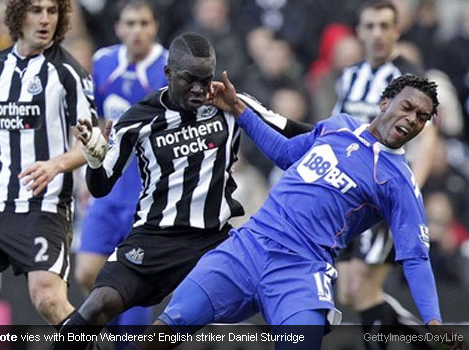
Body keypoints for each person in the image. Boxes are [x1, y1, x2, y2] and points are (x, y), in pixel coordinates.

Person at [145, 73, 446, 350]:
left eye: (421, 117)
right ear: (385, 102)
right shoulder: (339, 125)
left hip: (301, 271)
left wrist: (433, 321)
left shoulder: (400, 183)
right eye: (406, 107)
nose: (411, 119)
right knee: (168, 327)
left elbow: (416, 257)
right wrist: (237, 108)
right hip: (251, 244)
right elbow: (285, 154)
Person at [52, 32, 311, 350]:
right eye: (190, 80)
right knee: (95, 308)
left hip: (212, 243)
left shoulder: (228, 104)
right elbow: (100, 186)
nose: (200, 90)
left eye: (206, 79)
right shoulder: (138, 119)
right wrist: (94, 157)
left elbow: (295, 132)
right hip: (154, 239)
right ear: (168, 73)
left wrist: (351, 132)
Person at [0, 0, 97, 326]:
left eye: (52, 11)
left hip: (42, 209)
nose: (45, 19)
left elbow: (94, 145)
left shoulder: (68, 73)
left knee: (48, 298)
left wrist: (56, 164)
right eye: (36, 10)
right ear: (18, 15)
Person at [331, 0, 438, 335]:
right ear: (359, 32)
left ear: (397, 30)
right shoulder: (350, 76)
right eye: (370, 26)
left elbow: (429, 141)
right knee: (348, 292)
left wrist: (408, 194)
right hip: (347, 193)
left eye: (384, 26)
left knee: (363, 288)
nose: (377, 34)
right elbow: (337, 128)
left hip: (383, 193)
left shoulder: (409, 79)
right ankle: (431, 341)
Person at [74, 0, 167, 327]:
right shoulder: (103, 61)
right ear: (117, 28)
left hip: (148, 193)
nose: (136, 30)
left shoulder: (169, 68)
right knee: (87, 272)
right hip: (109, 189)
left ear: (155, 26)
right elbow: (98, 121)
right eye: (129, 23)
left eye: (143, 23)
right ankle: (119, 336)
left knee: (135, 281)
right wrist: (91, 170)